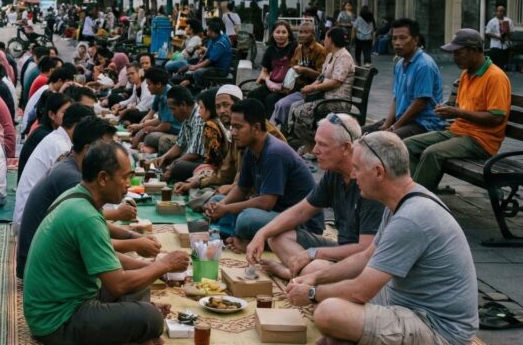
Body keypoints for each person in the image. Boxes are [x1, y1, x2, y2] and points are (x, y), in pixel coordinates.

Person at [285, 132, 478, 345]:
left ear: (378, 172)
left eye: (357, 168)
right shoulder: (399, 202)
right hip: (403, 302)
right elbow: (364, 257)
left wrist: (312, 292)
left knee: (328, 313)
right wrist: (316, 279)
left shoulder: (411, 218)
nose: (354, 175)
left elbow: (360, 291)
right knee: (315, 270)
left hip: (437, 328)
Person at [23, 141, 188, 345]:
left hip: (67, 300)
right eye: (125, 177)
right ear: (103, 178)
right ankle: (139, 330)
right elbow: (118, 285)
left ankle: (137, 331)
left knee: (140, 286)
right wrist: (164, 265)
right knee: (151, 318)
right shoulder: (86, 217)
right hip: (57, 322)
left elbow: (106, 257)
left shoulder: (77, 197)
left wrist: (150, 267)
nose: (128, 184)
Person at [246, 114, 384, 280]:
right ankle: (306, 273)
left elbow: (365, 251)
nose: (314, 150)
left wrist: (313, 253)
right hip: (341, 249)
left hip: (360, 263)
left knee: (317, 266)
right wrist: (261, 234)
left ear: (346, 148)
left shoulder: (368, 182)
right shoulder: (333, 174)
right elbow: (301, 211)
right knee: (277, 236)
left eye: (322, 145)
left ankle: (291, 273)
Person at [17, 119, 156, 277]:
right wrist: (136, 246)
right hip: (43, 269)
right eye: (107, 147)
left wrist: (133, 238)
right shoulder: (73, 180)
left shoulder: (71, 164)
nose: (111, 152)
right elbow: (98, 245)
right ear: (89, 149)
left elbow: (97, 229)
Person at [404, 28, 512, 191]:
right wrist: (447, 108)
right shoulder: (466, 74)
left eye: (458, 53)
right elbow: (462, 107)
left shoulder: (496, 77)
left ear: (474, 51)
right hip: (459, 131)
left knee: (432, 153)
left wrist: (457, 112)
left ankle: (416, 199)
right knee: (408, 145)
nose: (454, 58)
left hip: (481, 140)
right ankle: (417, 190)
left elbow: (496, 118)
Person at [204, 99, 322, 248]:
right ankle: (236, 236)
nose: (233, 132)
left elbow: (266, 203)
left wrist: (226, 209)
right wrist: (220, 205)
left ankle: (242, 237)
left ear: (256, 128)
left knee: (246, 218)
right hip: (274, 214)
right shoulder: (250, 149)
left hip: (301, 223)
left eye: (238, 127)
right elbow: (242, 189)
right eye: (232, 127)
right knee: (217, 199)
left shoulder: (274, 153)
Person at [14, 103, 94, 232]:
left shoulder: (58, 138)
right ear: (78, 126)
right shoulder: (61, 147)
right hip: (31, 225)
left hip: (31, 217)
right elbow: (77, 206)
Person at [364, 18, 444, 139]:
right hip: (402, 119)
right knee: (361, 133)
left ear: (415, 40)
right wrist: (387, 124)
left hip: (423, 123)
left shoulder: (424, 65)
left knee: (383, 141)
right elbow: (396, 98)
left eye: (403, 38)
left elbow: (420, 104)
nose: (397, 42)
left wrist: (394, 127)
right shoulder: (400, 64)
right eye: (394, 38)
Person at [287, 27, 356, 153]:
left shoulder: (344, 56)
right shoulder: (331, 55)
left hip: (337, 100)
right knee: (294, 107)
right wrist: (308, 88)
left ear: (331, 40)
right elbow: (321, 77)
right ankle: (309, 144)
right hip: (324, 98)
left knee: (302, 111)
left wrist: (313, 87)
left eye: (325, 37)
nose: (323, 40)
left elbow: (336, 82)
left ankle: (315, 146)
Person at [151, 86, 201, 180]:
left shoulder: (198, 118)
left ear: (183, 104)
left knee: (177, 166)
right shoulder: (187, 117)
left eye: (173, 109)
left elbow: (194, 154)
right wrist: (164, 157)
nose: (172, 113)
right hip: (190, 157)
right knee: (163, 160)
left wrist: (173, 164)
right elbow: (179, 145)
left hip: (201, 162)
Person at [128, 67, 181, 154]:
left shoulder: (169, 96)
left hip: (176, 132)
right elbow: (151, 115)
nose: (148, 87)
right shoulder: (159, 93)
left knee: (150, 137)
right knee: (145, 131)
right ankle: (146, 146)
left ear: (159, 84)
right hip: (166, 127)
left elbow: (166, 125)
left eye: (149, 84)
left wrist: (146, 129)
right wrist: (139, 127)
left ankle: (151, 149)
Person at [248, 21, 295, 113]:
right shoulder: (270, 50)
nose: (280, 35)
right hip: (272, 84)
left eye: (284, 32)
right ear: (273, 33)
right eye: (277, 32)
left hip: (286, 87)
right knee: (253, 95)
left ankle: (269, 125)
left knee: (270, 100)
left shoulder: (294, 47)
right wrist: (267, 81)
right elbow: (264, 70)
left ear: (288, 34)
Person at [182, 18, 232, 89]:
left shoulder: (220, 43)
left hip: (219, 70)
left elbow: (210, 60)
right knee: (190, 67)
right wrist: (198, 63)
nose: (206, 32)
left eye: (208, 31)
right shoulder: (213, 39)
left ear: (213, 32)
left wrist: (196, 67)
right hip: (213, 66)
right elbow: (207, 55)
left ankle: (199, 89)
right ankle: (190, 85)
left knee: (197, 72)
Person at [486, 4, 514, 69]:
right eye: (499, 11)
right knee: (493, 65)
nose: (501, 13)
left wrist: (508, 32)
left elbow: (512, 32)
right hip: (495, 46)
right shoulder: (492, 21)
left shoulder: (508, 21)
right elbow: (487, 33)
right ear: (496, 12)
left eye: (502, 11)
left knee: (502, 65)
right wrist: (497, 36)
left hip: (505, 46)